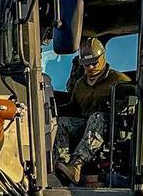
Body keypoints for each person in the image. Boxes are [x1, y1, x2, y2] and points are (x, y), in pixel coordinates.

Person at [53, 37, 130, 185]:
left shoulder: (119, 80)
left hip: (111, 128)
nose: (90, 68)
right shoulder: (80, 84)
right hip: (87, 125)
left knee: (97, 117)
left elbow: (130, 110)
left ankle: (77, 165)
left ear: (102, 57)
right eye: (86, 64)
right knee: (62, 123)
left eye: (93, 63)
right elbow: (73, 107)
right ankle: (62, 165)